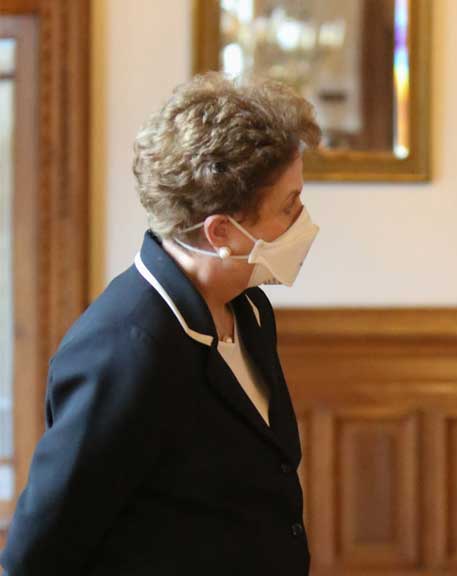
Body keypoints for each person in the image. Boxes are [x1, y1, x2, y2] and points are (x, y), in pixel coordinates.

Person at [1, 73, 321, 575]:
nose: (303, 219)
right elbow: (35, 555)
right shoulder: (122, 349)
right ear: (221, 232)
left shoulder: (250, 309)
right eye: (289, 206)